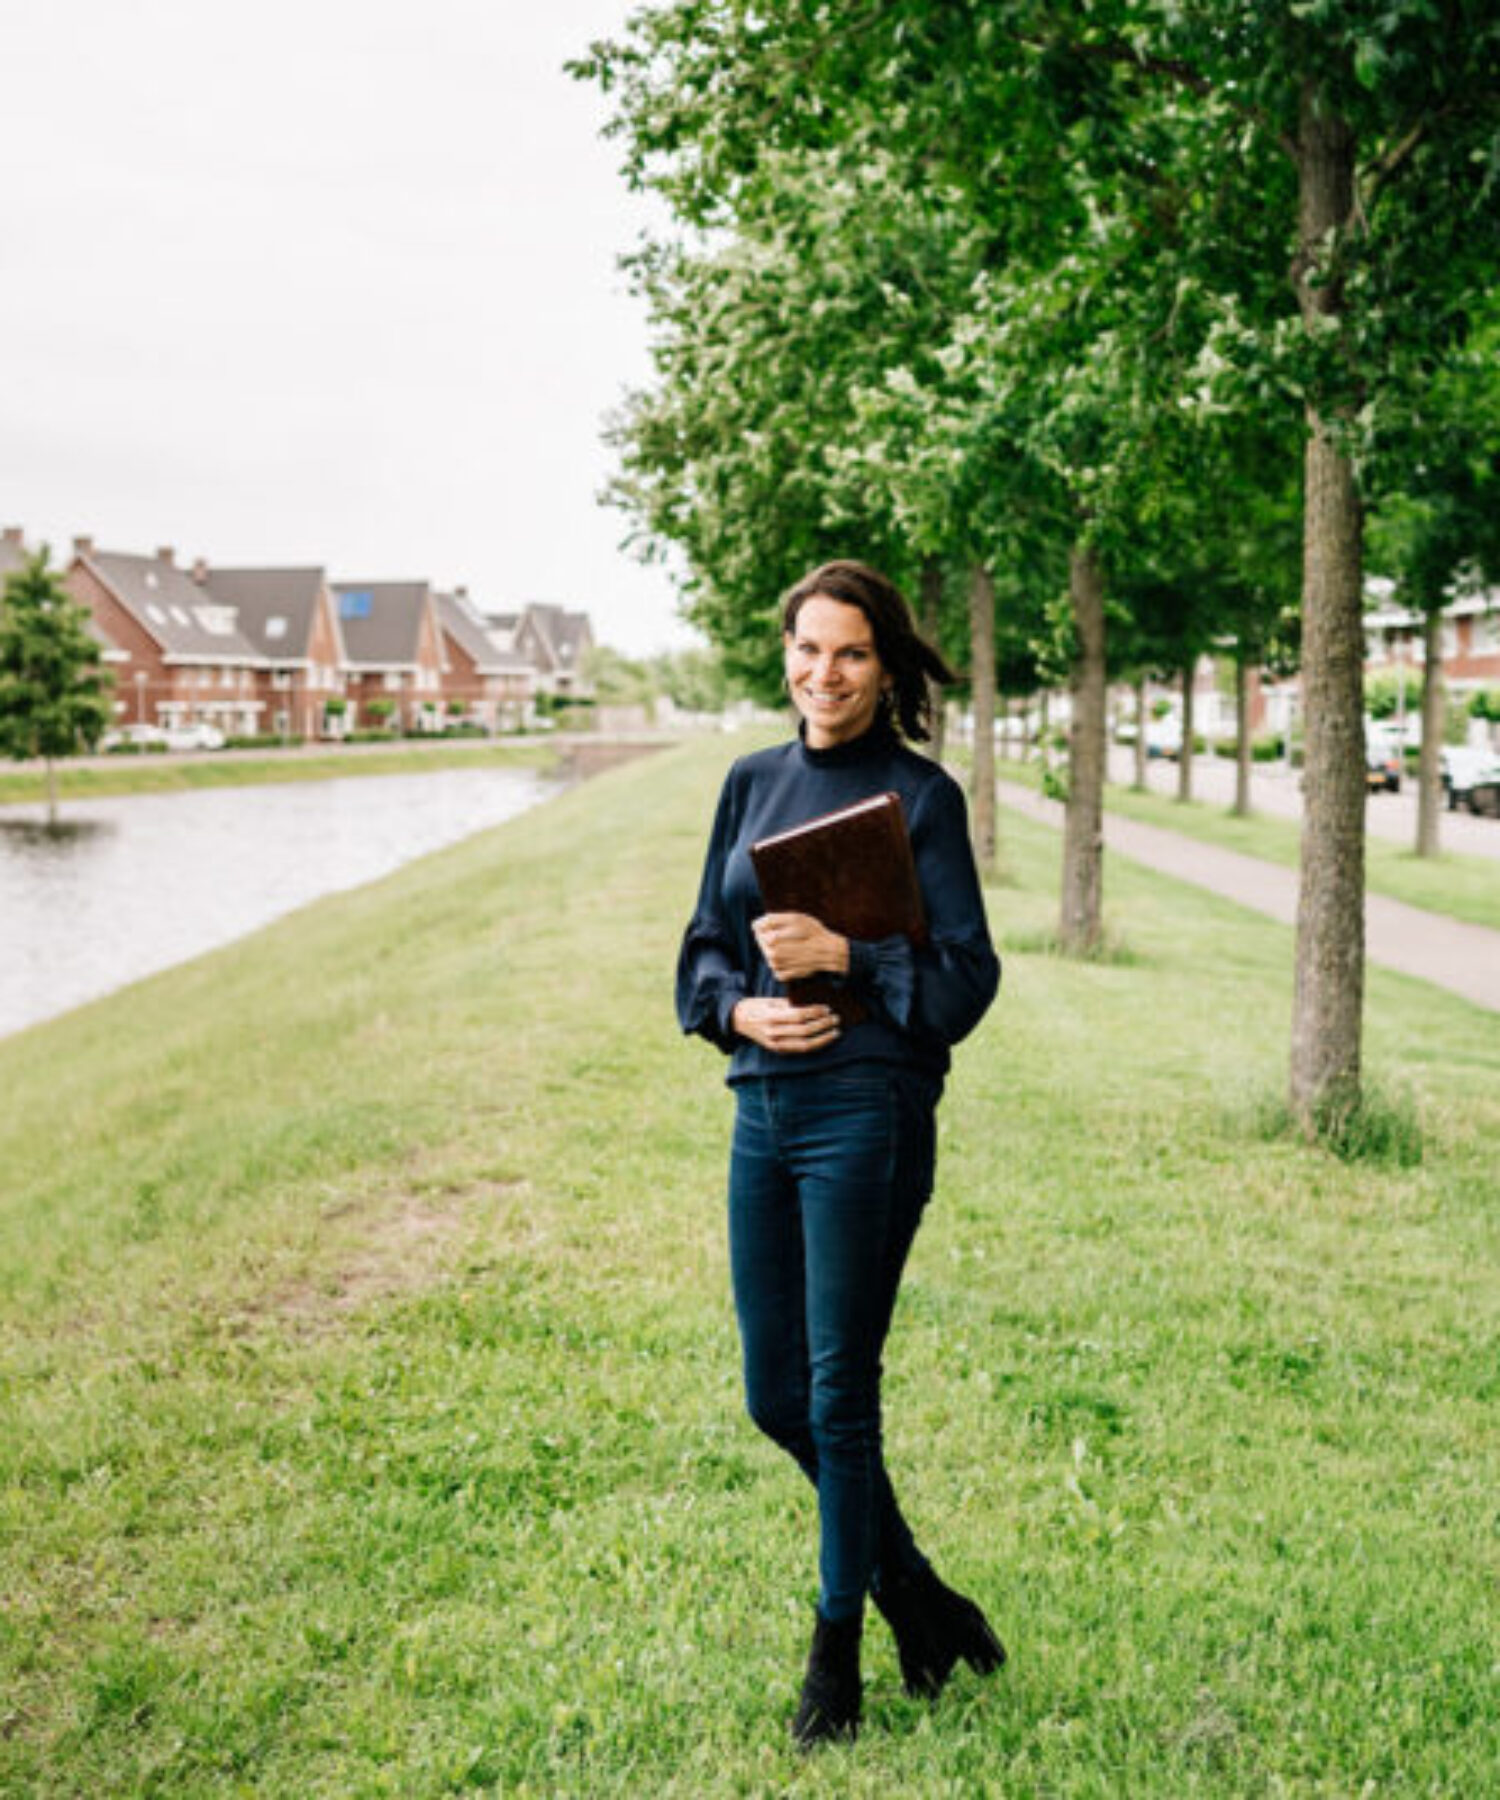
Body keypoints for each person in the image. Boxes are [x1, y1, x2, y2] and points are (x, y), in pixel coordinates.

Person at [675, 559, 1005, 1748]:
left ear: (886, 664)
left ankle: (837, 1660)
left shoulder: (921, 801)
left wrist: (847, 957)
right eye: (809, 649)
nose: (826, 674)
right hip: (762, 1107)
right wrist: (738, 1011)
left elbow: (968, 980)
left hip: (867, 1114)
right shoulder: (748, 782)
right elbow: (706, 948)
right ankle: (916, 1592)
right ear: (786, 654)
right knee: (774, 1395)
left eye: (853, 654)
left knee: (838, 1391)